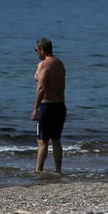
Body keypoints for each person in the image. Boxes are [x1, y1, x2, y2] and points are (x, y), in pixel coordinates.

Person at [31, 38, 67, 173]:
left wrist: (35, 108)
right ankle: (58, 170)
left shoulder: (44, 64)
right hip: (60, 106)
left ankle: (38, 170)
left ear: (42, 50)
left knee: (42, 141)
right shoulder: (60, 63)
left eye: (36, 50)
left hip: (47, 107)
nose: (36, 53)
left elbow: (41, 88)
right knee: (56, 140)